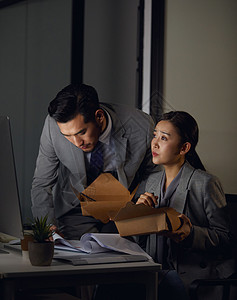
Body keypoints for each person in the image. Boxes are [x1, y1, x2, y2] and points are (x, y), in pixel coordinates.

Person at [31, 83, 159, 239]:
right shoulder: (53, 127)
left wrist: (139, 205)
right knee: (79, 258)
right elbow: (42, 183)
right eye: (68, 136)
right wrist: (47, 227)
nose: (77, 142)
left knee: (120, 259)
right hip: (75, 209)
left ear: (99, 116)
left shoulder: (141, 126)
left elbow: (154, 172)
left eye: (82, 132)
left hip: (123, 210)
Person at [136, 111, 234, 299]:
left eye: (163, 138)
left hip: (190, 275)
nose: (154, 143)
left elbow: (226, 239)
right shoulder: (150, 182)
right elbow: (141, 244)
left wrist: (190, 233)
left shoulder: (205, 183)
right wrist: (139, 217)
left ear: (184, 148)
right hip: (153, 269)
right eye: (154, 135)